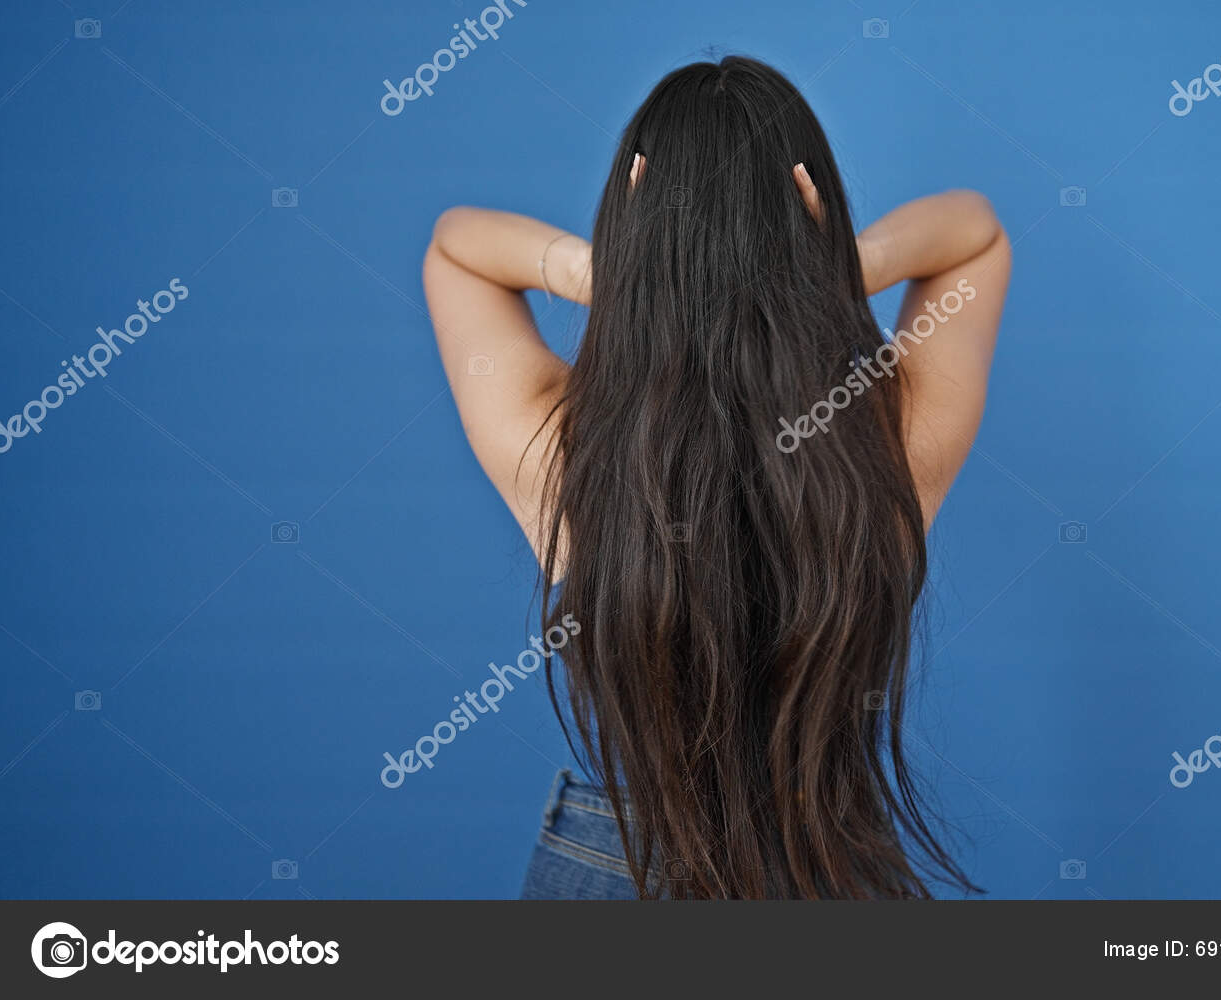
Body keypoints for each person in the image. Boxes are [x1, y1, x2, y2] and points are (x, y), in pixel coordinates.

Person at [423, 55, 1010, 898]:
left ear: (633, 192)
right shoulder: (889, 442)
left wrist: (630, 274)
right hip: (827, 866)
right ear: (817, 201)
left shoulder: (558, 443)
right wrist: (821, 271)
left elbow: (456, 245)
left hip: (615, 861)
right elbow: (975, 230)